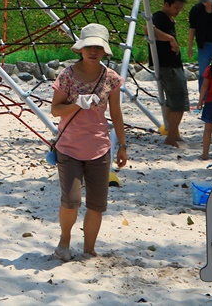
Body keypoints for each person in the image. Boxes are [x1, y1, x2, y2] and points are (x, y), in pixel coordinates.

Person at [50, 23, 128, 261]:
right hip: (69, 147)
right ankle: (64, 243)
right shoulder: (67, 76)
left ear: (105, 51)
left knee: (96, 204)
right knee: (72, 200)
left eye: (98, 47)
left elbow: (116, 113)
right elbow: (55, 110)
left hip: (99, 147)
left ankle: (89, 248)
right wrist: (77, 103)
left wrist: (122, 146)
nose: (93, 51)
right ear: (81, 49)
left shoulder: (110, 78)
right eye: (89, 47)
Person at [151, 0, 189, 148]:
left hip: (173, 65)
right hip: (168, 66)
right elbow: (149, 30)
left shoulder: (168, 19)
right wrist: (170, 38)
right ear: (166, 4)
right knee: (179, 102)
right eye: (176, 8)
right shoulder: (159, 17)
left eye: (180, 8)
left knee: (171, 102)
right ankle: (171, 137)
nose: (178, 11)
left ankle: (174, 132)